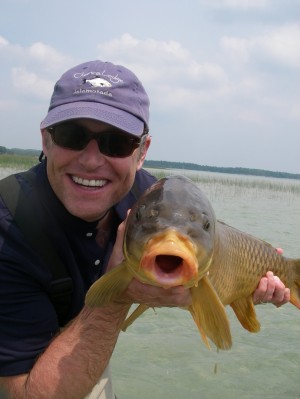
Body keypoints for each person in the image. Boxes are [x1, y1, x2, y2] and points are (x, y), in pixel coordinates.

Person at [0, 60, 290, 399]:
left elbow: (207, 249)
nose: (92, 160)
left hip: (81, 343)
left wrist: (247, 281)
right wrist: (118, 295)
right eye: (71, 135)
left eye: (116, 142)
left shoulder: (152, 198)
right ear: (46, 140)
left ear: (141, 152)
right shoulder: (9, 230)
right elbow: (25, 394)